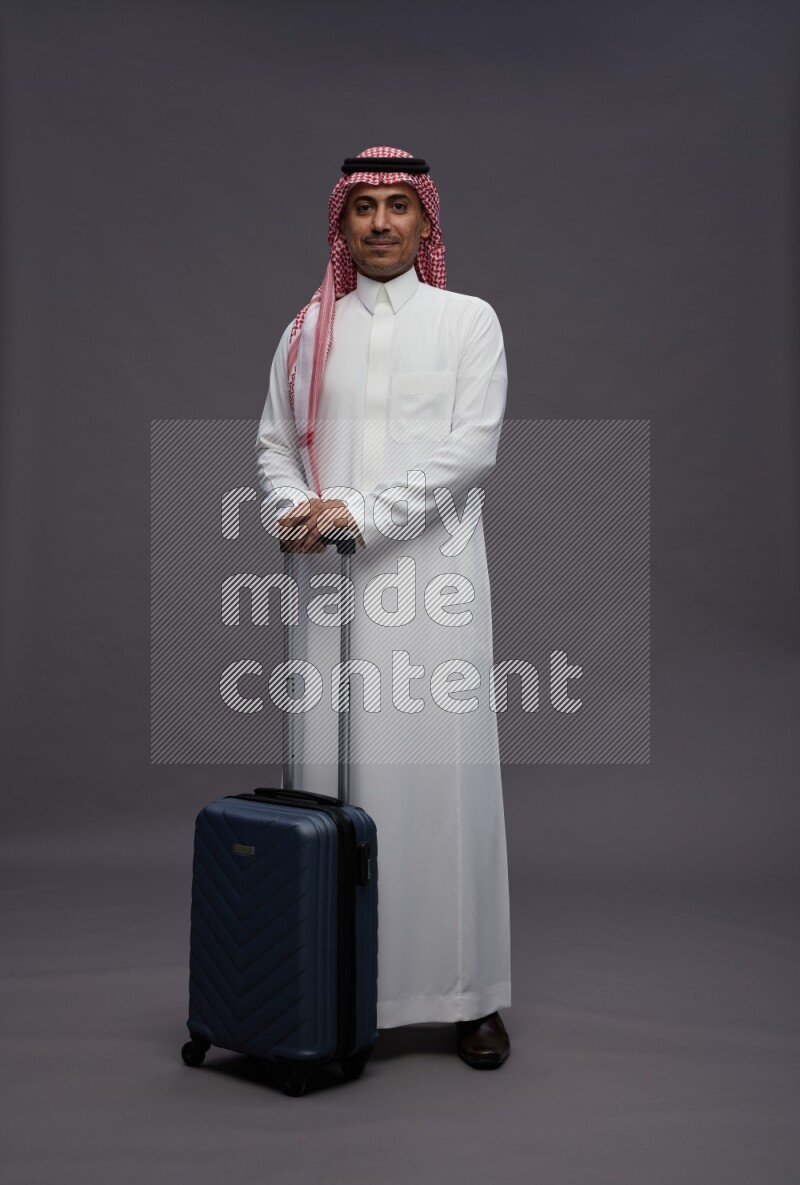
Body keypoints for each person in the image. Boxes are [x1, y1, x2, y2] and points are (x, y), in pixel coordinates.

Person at [255, 147, 511, 1068]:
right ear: (342, 223)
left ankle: (468, 995)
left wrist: (357, 513)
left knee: (440, 788)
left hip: (430, 592)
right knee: (332, 786)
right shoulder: (305, 330)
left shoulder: (467, 321)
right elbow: (274, 444)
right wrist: (290, 511)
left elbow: (470, 450)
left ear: (426, 223)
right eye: (364, 208)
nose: (380, 225)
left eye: (399, 207)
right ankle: (331, 991)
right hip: (325, 594)